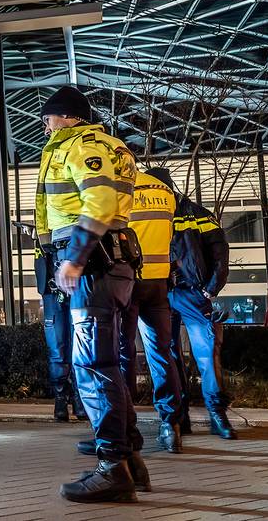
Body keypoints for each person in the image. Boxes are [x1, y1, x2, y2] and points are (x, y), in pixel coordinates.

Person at [35, 86, 144, 503]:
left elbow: (97, 201)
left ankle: (112, 469)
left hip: (93, 263)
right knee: (108, 363)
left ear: (63, 116)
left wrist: (74, 257)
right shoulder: (114, 146)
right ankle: (129, 457)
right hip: (115, 263)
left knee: (92, 367)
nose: (45, 127)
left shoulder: (81, 144)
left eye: (48, 119)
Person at [74, 170, 183, 458]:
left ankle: (125, 431)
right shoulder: (165, 191)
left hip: (131, 279)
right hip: (159, 283)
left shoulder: (125, 187)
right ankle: (171, 426)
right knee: (162, 353)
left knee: (120, 355)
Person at [147, 167, 237, 441]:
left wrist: (211, 289)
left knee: (205, 355)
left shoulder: (196, 213)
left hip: (190, 292)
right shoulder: (152, 213)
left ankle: (215, 415)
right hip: (160, 292)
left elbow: (220, 250)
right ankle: (179, 417)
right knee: (168, 357)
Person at [36, 250, 88, 422]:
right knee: (57, 347)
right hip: (52, 284)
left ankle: (77, 398)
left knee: (76, 346)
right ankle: (62, 401)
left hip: (75, 280)